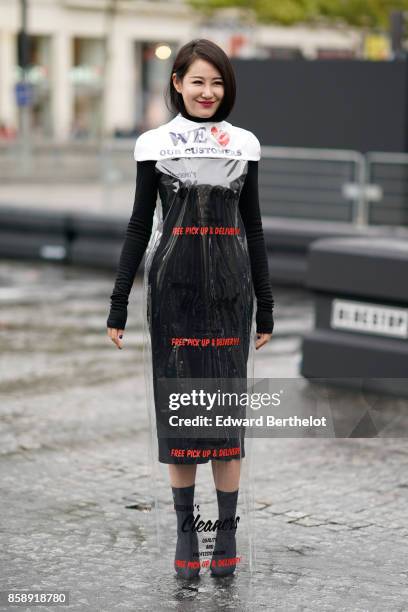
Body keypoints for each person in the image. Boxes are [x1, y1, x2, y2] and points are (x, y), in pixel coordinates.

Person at [107, 39, 274, 579]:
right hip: (173, 293)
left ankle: (224, 536)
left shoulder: (244, 143)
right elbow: (139, 226)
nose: (208, 92)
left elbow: (254, 226)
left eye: (218, 82)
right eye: (198, 80)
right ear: (177, 81)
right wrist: (118, 303)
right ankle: (186, 534)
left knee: (225, 419)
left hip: (232, 295)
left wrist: (266, 304)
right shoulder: (153, 144)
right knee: (180, 413)